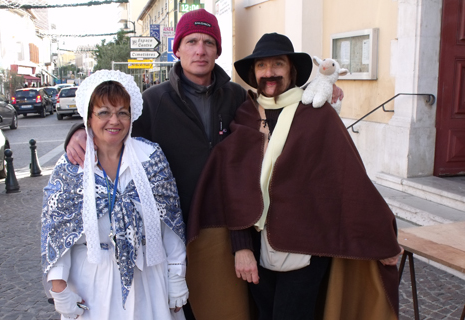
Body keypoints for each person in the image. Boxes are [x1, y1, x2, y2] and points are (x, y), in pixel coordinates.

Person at [64, 12, 343, 320]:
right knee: (183, 310)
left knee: (235, 309)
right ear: (177, 49)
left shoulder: (237, 96)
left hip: (231, 229)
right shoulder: (154, 101)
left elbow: (277, 111)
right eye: (192, 41)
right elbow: (114, 129)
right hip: (176, 231)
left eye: (209, 42)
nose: (201, 50)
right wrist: (80, 131)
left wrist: (320, 96)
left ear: (218, 50)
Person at [187, 33, 403, 320]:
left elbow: (348, 177)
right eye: (262, 66)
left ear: (291, 71)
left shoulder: (316, 115)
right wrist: (241, 248)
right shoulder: (246, 115)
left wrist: (382, 237)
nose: (270, 73)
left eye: (278, 64)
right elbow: (235, 187)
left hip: (307, 247)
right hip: (255, 248)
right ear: (254, 73)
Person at [41, 70, 188, 320]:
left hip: (149, 280)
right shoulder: (71, 168)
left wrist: (176, 276)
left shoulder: (151, 158)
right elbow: (57, 234)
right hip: (93, 284)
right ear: (88, 118)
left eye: (122, 112)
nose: (114, 121)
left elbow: (170, 224)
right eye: (104, 112)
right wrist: (59, 289)